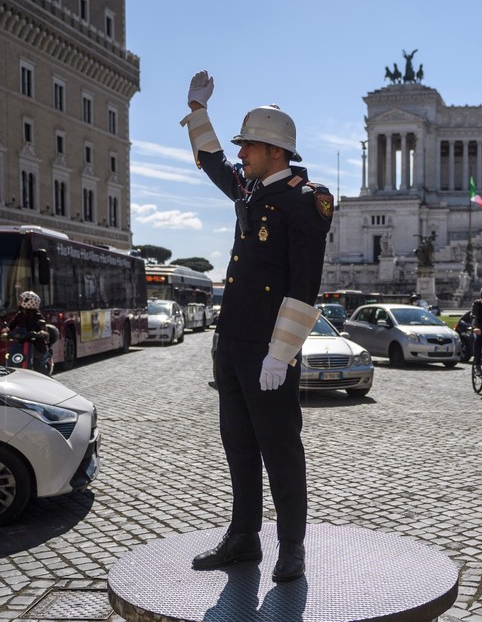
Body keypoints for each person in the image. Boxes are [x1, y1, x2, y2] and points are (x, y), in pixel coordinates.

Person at [181, 70, 333, 583]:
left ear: (274, 150)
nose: (240, 152)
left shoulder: (304, 200)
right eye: (241, 144)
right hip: (232, 342)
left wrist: (281, 352)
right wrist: (198, 111)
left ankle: (292, 546)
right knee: (239, 447)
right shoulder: (250, 189)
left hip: (269, 349)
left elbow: (304, 284)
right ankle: (244, 537)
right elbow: (211, 162)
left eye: (249, 145)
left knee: (280, 449)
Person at [3, 291, 51, 372]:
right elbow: (12, 325)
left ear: (29, 302)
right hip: (21, 342)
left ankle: (44, 377)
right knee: (11, 356)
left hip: (35, 343)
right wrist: (6, 330)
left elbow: (44, 329)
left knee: (38, 362)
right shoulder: (19, 314)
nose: (19, 301)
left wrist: (41, 333)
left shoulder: (37, 316)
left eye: (22, 300)